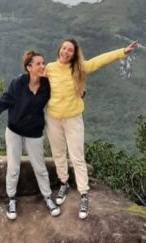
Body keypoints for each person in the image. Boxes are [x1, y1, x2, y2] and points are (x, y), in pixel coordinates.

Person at [45, 38, 138, 219]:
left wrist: (122, 52)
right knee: (58, 153)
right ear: (59, 49)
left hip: (73, 119)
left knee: (77, 157)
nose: (65, 52)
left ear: (74, 54)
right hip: (53, 118)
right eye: (63, 48)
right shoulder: (49, 68)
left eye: (69, 50)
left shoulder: (80, 69)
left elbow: (100, 60)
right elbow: (32, 76)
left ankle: (84, 194)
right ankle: (64, 183)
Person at [0, 50, 60, 221]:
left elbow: (63, 93)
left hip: (34, 132)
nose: (43, 66)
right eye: (38, 64)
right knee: (13, 167)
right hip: (14, 131)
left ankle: (48, 197)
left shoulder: (47, 85)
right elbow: (1, 104)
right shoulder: (17, 84)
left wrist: (81, 93)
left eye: (43, 63)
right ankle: (11, 198)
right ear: (29, 67)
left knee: (40, 168)